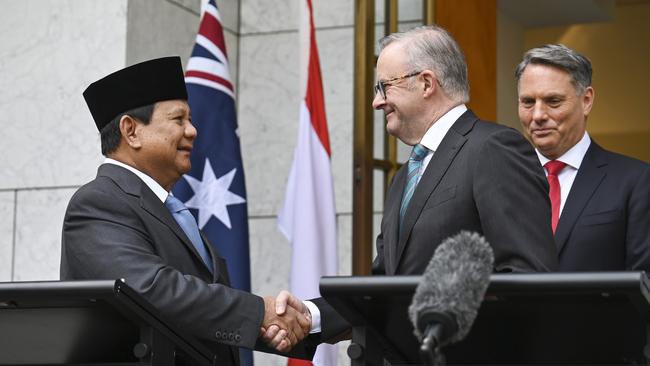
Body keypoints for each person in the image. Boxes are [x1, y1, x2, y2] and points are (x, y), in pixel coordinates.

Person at [266, 25, 559, 344]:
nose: (376, 102)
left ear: (426, 83)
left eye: (383, 87)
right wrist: (310, 316)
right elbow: (383, 289)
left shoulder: (494, 149)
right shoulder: (405, 176)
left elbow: (527, 280)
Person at [60, 56, 316, 365]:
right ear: (131, 131)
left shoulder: (169, 209)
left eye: (190, 119)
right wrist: (259, 311)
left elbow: (198, 316)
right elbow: (150, 290)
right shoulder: (98, 202)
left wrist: (278, 323)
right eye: (178, 119)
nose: (193, 131)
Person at [516, 44, 650, 271]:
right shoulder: (502, 181)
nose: (538, 115)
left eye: (553, 101)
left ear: (586, 100)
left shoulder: (636, 181)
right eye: (528, 102)